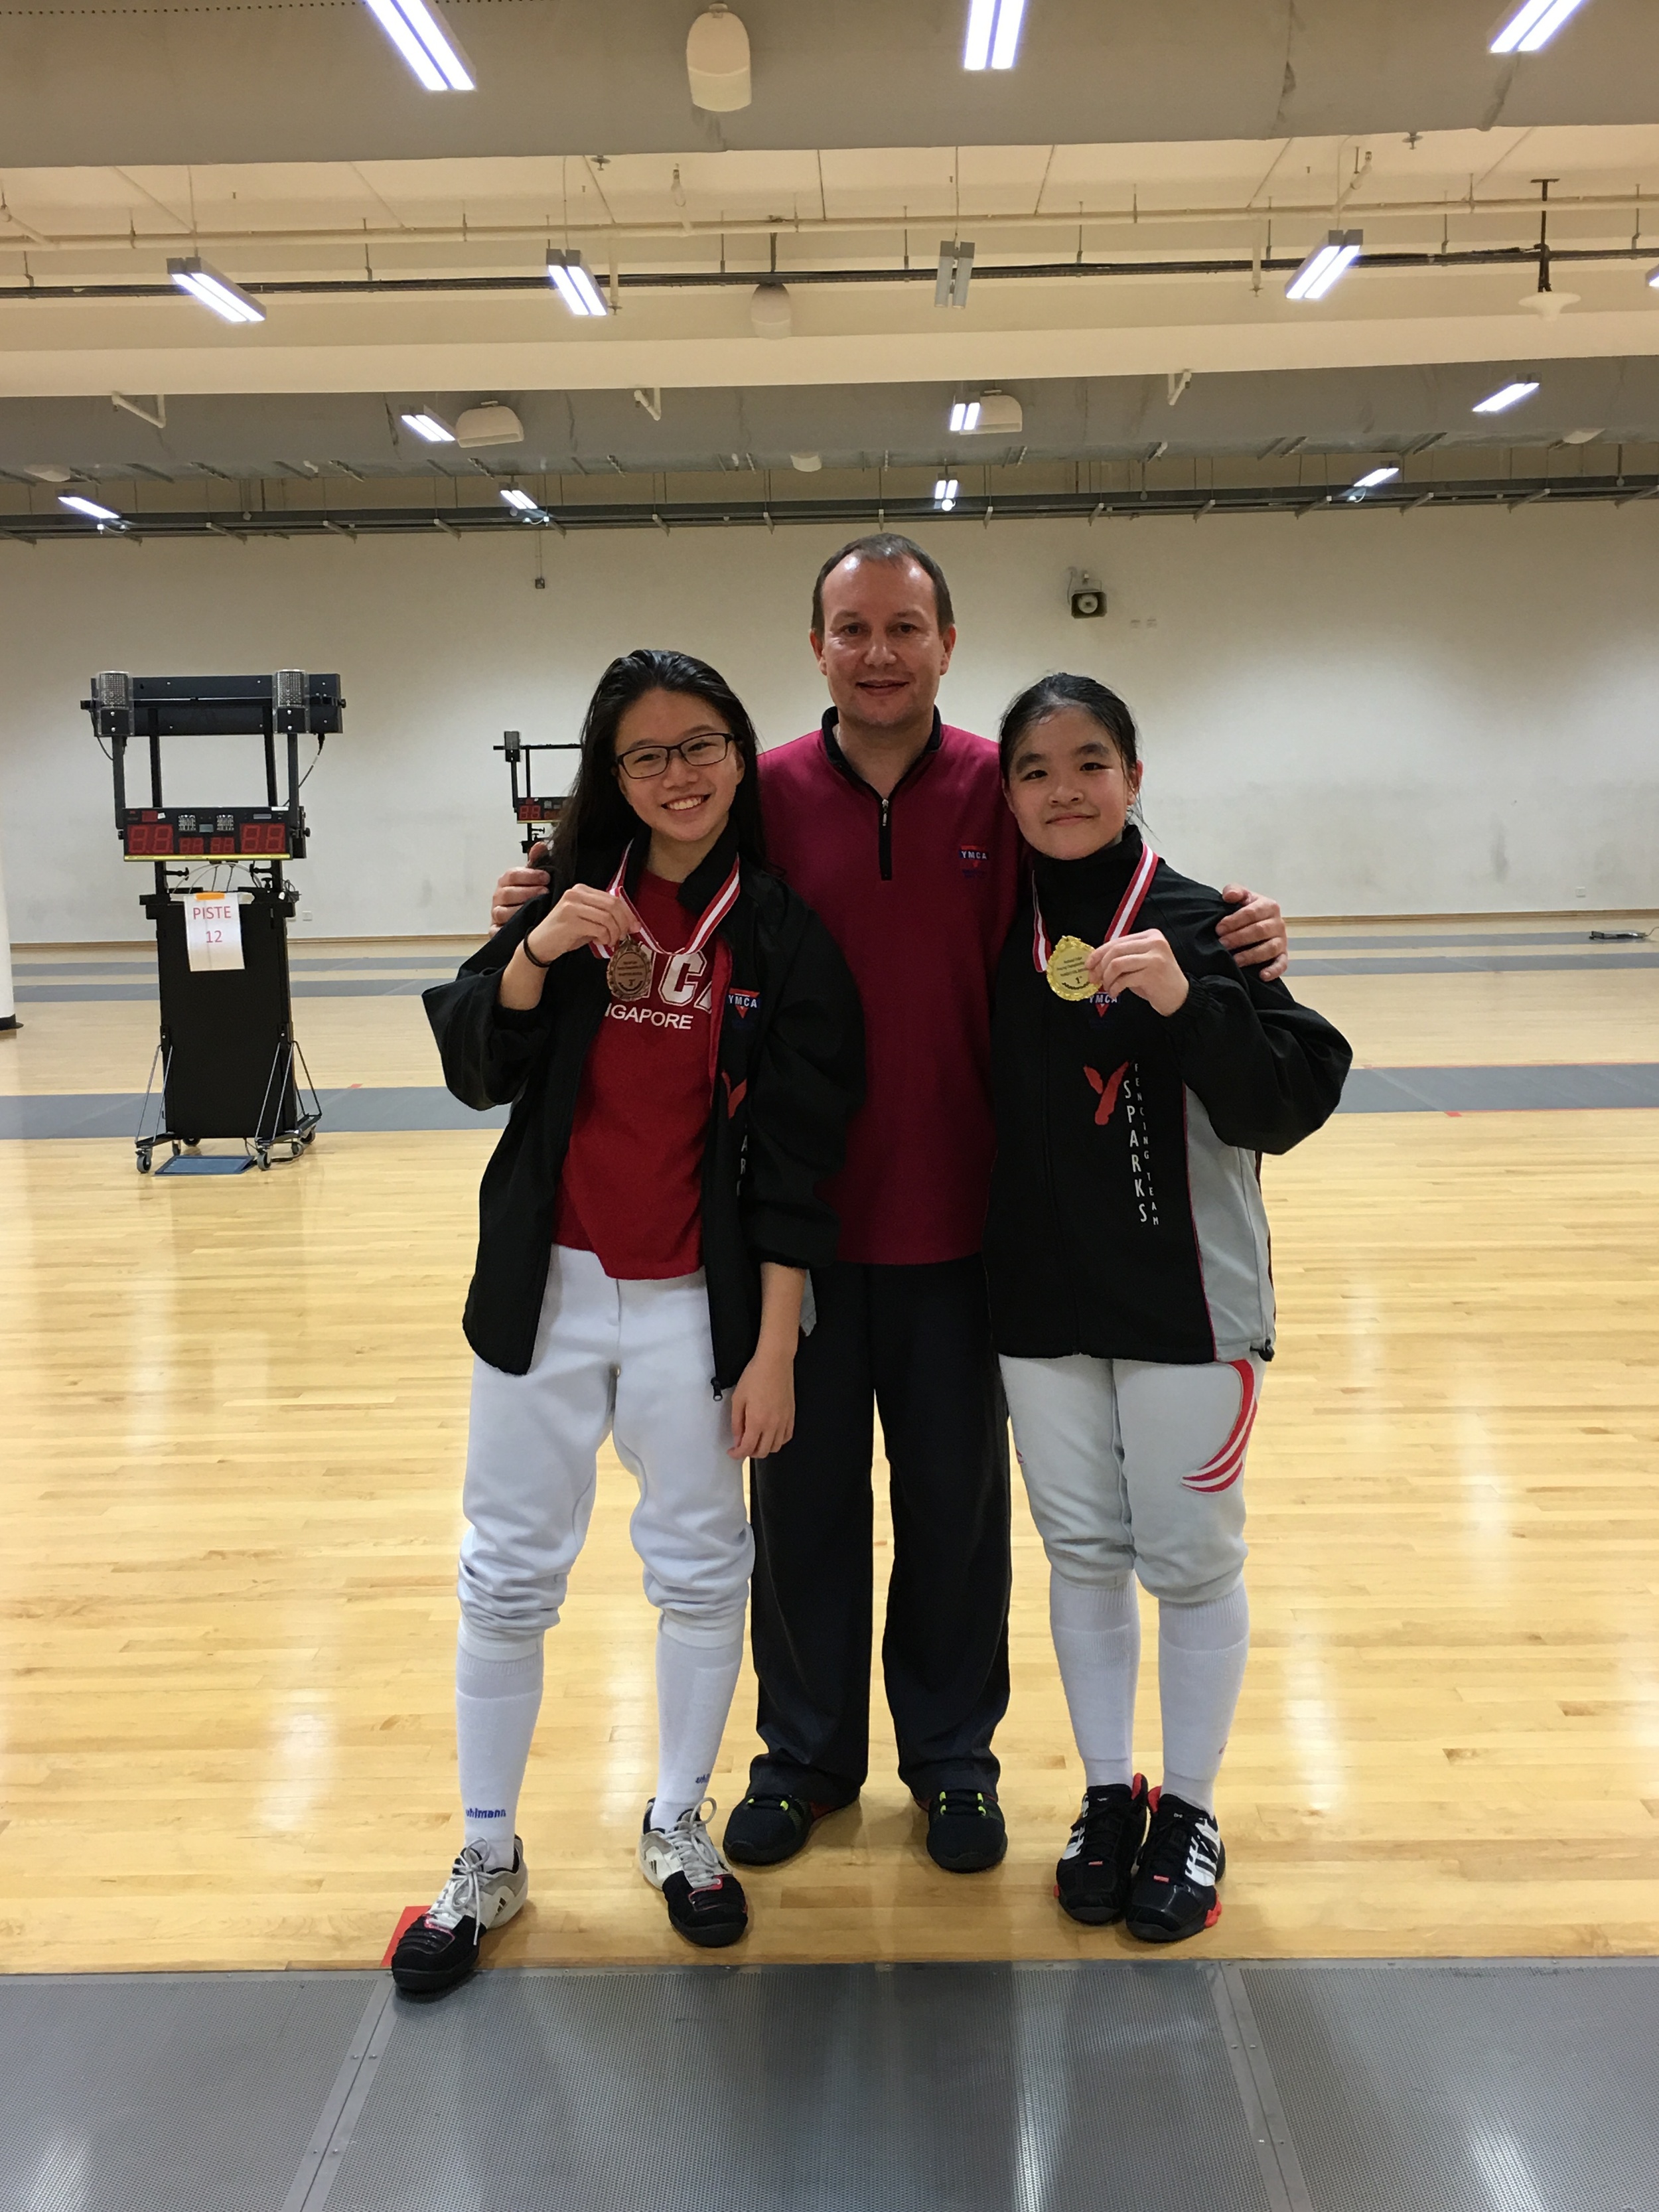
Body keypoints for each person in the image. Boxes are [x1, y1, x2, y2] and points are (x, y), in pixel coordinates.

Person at [491, 538, 1291, 1878]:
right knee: (797, 1506)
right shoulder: (767, 793)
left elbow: (1112, 872)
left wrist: (1232, 927)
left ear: (946, 639)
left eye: (903, 626)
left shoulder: (1002, 780)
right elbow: (652, 864)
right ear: (813, 647)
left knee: (953, 1510)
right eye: (850, 627)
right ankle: (803, 1751)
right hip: (784, 1230)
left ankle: (952, 1759)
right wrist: (529, 898)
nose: (877, 650)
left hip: (971, 1224)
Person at [399, 648, 863, 1994]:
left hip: (691, 1305)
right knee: (505, 1571)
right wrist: (536, 950)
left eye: (701, 742)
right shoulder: (559, 903)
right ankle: (486, 1851)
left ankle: (676, 1817)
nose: (678, 773)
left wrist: (774, 1342)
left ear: (738, 751)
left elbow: (795, 1161)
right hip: (543, 1288)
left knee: (702, 1568)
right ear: (610, 773)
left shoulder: (776, 931)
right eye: (646, 753)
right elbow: (474, 1063)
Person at [986, 672, 1350, 1941]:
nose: (1065, 789)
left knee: (1190, 1563)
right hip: (1036, 1305)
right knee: (1082, 1554)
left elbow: (1291, 1103)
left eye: (1091, 762)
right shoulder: (987, 926)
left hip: (1192, 1309)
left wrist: (1192, 1004)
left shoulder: (1211, 924)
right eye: (1035, 769)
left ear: (1134, 776)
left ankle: (1189, 1805)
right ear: (1009, 791)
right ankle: (1106, 1792)